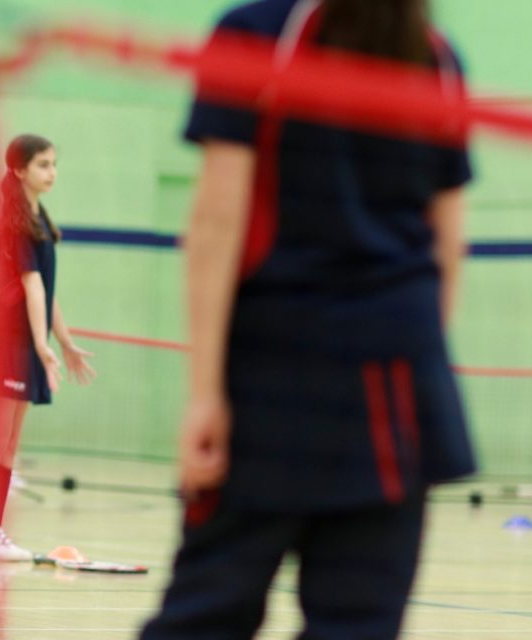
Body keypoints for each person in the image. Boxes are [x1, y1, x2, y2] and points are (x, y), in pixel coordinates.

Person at [140, 0, 475, 637]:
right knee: (357, 626)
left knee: (204, 615)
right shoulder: (438, 55)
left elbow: (218, 219)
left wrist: (205, 393)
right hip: (400, 383)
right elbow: (447, 244)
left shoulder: (256, 33)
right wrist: (421, 364)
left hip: (275, 376)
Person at [0, 135, 96, 562]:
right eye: (43, 165)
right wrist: (38, 343)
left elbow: (46, 291)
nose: (52, 172)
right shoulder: (12, 221)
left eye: (54, 164)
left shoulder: (38, 217)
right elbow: (30, 286)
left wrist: (63, 342)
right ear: (19, 170)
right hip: (8, 341)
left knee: (10, 445)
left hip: (28, 342)